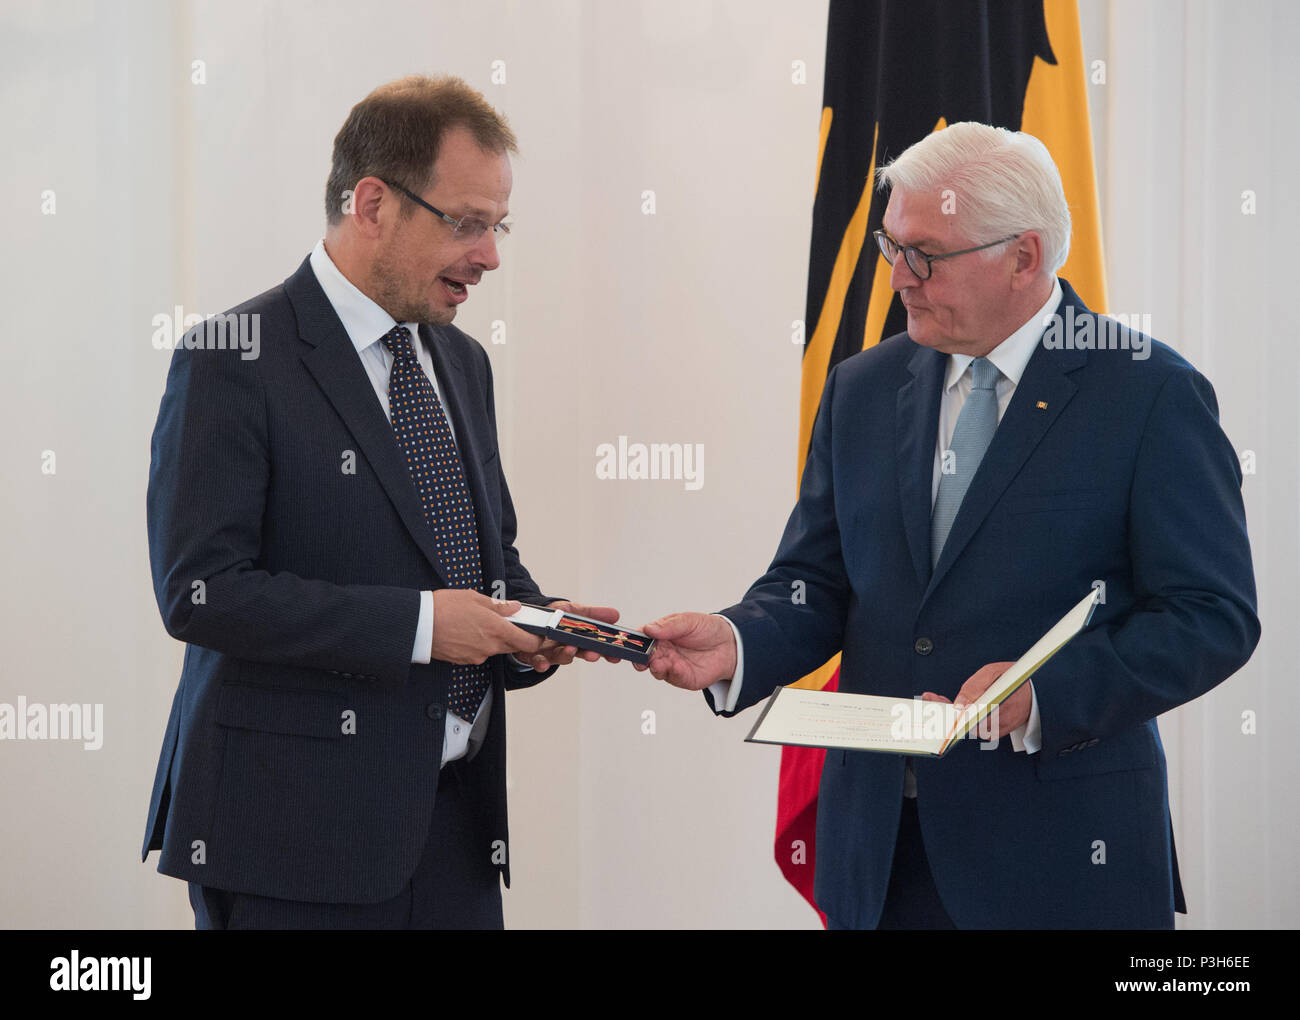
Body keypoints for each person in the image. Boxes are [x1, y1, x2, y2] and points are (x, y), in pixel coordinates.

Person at [641, 122, 1259, 929]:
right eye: (890, 247)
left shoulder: (1148, 393)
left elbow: (1211, 616)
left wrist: (1040, 695)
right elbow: (819, 581)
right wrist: (738, 639)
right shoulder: (863, 386)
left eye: (926, 254)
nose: (899, 277)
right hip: (879, 857)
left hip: (1061, 858)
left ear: (1024, 257)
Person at [142, 75, 616, 929]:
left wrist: (539, 627)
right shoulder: (230, 358)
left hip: (457, 838)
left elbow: (482, 562)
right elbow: (201, 591)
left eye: (497, 225)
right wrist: (427, 628)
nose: (491, 255)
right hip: (290, 842)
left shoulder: (463, 362)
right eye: (467, 222)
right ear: (371, 204)